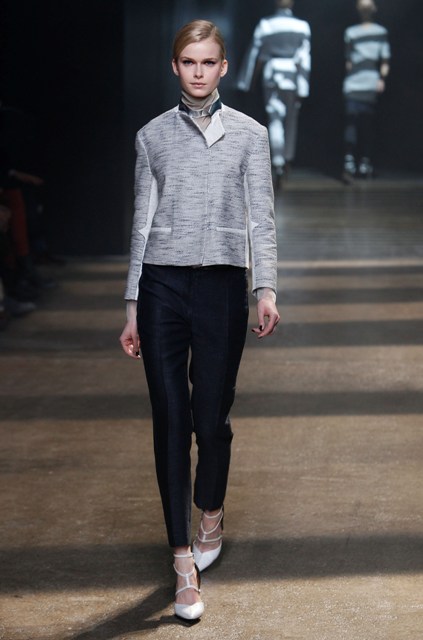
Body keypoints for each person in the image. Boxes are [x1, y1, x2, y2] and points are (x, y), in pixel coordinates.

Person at [119, 20, 279, 622]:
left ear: (224, 67)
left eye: (208, 62)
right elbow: (141, 221)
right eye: (189, 62)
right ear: (175, 66)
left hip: (221, 287)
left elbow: (261, 217)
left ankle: (210, 509)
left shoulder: (251, 135)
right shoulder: (152, 137)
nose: (198, 72)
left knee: (211, 419)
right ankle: (182, 559)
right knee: (170, 420)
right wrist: (132, 304)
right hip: (161, 285)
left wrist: (265, 287)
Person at [236, 0, 311, 187]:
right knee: (291, 120)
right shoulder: (302, 26)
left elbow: (255, 55)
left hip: (272, 74)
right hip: (293, 76)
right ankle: (286, 160)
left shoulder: (266, 24)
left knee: (275, 118)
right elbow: (304, 59)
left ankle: (278, 162)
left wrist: (247, 81)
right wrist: (303, 87)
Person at [342, 0, 391, 183]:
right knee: (354, 123)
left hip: (367, 83)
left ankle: (363, 161)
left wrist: (381, 79)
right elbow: (349, 61)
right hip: (357, 83)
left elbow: (384, 61)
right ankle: (352, 161)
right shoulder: (352, 32)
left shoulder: (380, 32)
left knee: (364, 123)